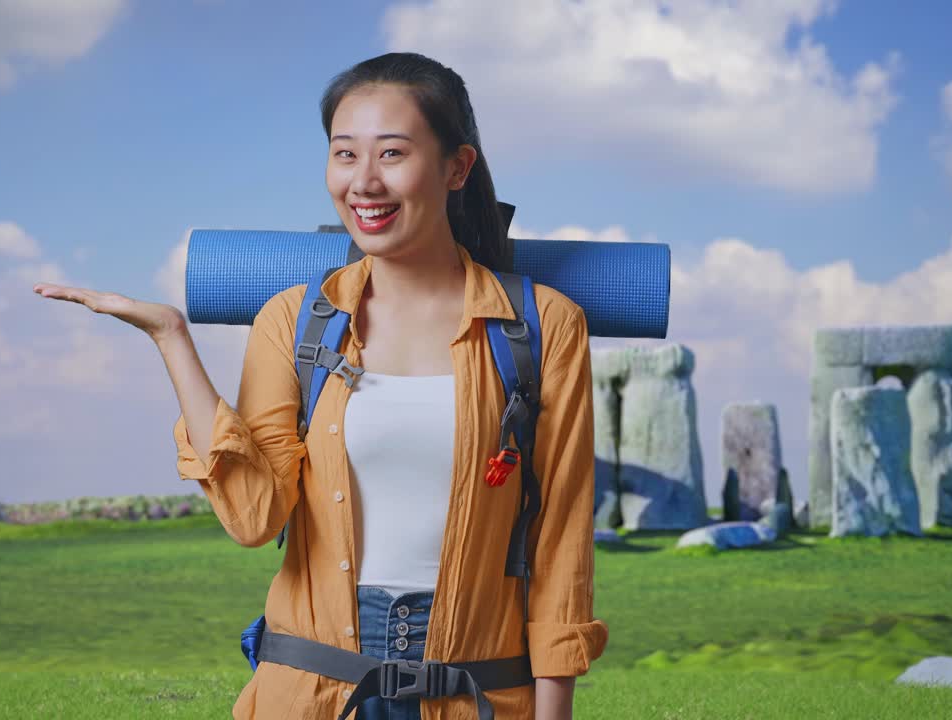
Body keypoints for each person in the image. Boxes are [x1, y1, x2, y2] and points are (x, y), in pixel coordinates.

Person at [34, 52, 606, 720]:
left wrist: (554, 710)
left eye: (392, 154)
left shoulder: (542, 327)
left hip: (477, 689)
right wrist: (171, 339)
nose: (363, 182)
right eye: (344, 154)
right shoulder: (297, 321)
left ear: (457, 168)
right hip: (309, 691)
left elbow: (563, 539)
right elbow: (253, 518)